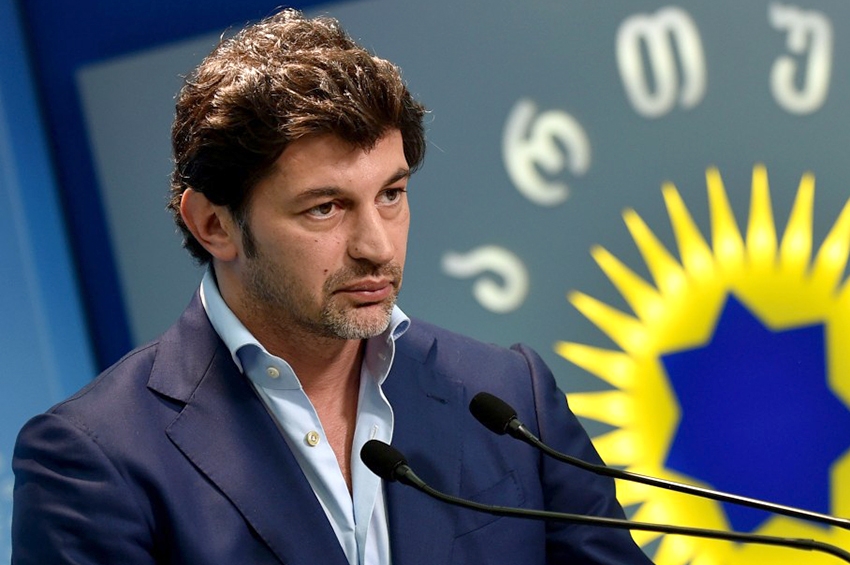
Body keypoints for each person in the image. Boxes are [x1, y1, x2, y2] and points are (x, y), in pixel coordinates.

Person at [11, 8, 654, 565]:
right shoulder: (94, 459)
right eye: (325, 208)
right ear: (213, 224)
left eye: (391, 195)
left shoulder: (511, 399)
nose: (377, 246)